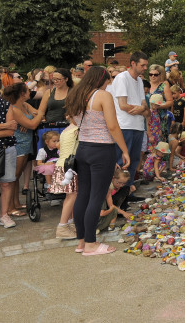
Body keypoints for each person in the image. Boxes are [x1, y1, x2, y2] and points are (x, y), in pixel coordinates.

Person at [68, 66, 130, 255]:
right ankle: (91, 244)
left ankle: (81, 242)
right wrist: (124, 150)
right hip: (101, 149)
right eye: (109, 79)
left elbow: (72, 121)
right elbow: (112, 125)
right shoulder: (102, 95)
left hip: (83, 148)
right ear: (102, 79)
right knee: (96, 196)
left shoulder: (76, 95)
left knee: (83, 195)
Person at [106, 51, 149, 203]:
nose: (145, 68)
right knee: (123, 161)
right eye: (142, 65)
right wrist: (141, 109)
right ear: (133, 63)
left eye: (146, 65)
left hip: (137, 125)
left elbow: (144, 104)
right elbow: (123, 105)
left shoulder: (139, 81)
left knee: (134, 161)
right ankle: (114, 196)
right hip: (124, 125)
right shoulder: (122, 78)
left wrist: (141, 108)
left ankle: (126, 193)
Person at [4, 81, 49, 216]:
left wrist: (34, 118)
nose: (30, 92)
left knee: (17, 176)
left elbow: (39, 119)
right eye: (28, 91)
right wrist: (36, 116)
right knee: (13, 177)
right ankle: (10, 208)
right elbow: (34, 123)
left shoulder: (25, 105)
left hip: (26, 144)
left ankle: (16, 203)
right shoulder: (14, 109)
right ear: (22, 94)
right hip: (18, 145)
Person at [49, 121, 79, 239]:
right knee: (71, 196)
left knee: (71, 196)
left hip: (62, 165)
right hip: (68, 168)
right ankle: (62, 226)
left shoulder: (67, 129)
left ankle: (71, 224)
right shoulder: (77, 129)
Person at [0, 76, 19, 228]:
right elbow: (8, 126)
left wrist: (6, 127)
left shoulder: (6, 104)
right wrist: (3, 125)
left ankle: (4, 214)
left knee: (6, 183)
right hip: (4, 147)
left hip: (6, 149)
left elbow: (11, 131)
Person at [145, 64, 173, 158]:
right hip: (146, 117)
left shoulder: (163, 86)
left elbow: (170, 102)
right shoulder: (145, 85)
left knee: (161, 140)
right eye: (150, 74)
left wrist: (159, 106)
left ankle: (161, 162)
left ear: (160, 75)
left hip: (160, 118)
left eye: (155, 74)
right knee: (146, 140)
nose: (153, 76)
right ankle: (148, 163)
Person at [95, 167, 131, 233]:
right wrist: (123, 213)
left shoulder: (109, 189)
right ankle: (110, 227)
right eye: (118, 183)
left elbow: (110, 204)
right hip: (99, 218)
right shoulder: (107, 189)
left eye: (123, 184)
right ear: (113, 178)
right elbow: (104, 212)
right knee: (113, 210)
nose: (121, 185)